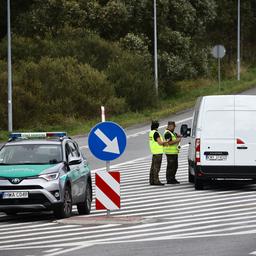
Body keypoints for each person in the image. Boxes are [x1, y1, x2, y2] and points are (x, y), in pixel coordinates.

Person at [149, 120, 167, 186]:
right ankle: (156, 181)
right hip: (158, 152)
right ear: (157, 127)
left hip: (154, 152)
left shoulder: (151, 133)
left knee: (153, 167)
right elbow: (160, 142)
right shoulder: (156, 133)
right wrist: (166, 142)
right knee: (157, 167)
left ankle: (151, 180)